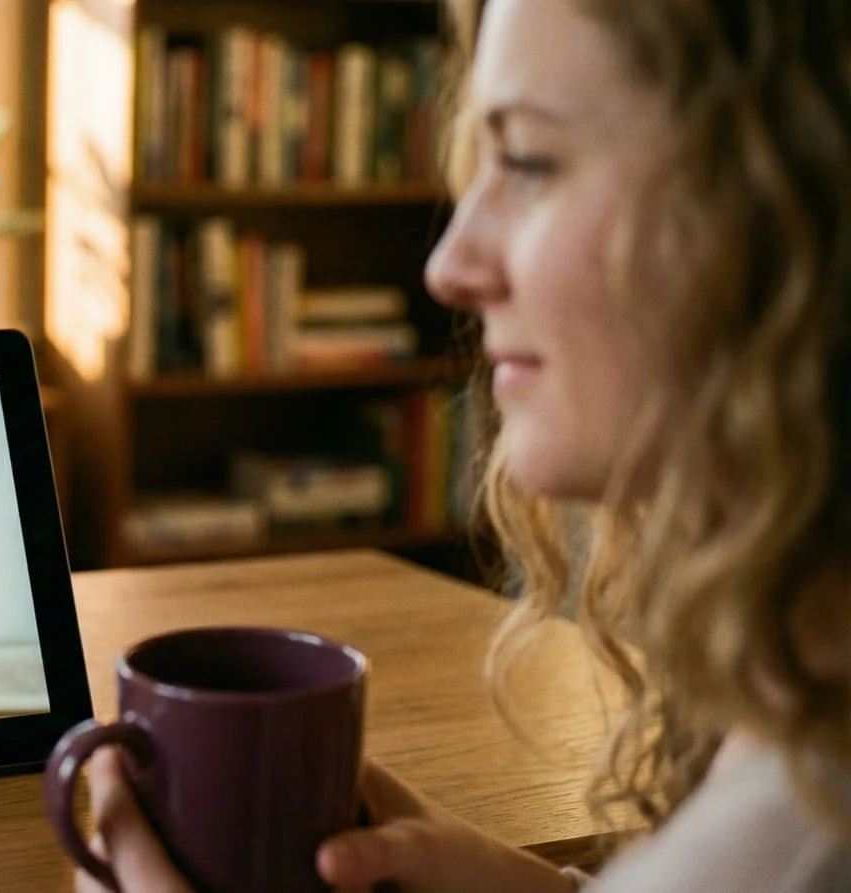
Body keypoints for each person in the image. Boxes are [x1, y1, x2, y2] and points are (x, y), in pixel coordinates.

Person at [78, 0, 851, 890]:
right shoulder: (790, 724)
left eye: (527, 158)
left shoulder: (801, 825)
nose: (448, 265)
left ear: (790, 202)